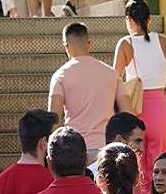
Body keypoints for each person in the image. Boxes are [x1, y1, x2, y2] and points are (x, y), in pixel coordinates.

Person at [113, 0, 166, 194]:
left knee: (136, 167)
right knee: (163, 168)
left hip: (134, 110)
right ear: (149, 19)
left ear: (128, 20)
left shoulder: (125, 44)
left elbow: (114, 81)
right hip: (161, 111)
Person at [48, 23, 130, 152]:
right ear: (89, 44)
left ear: (66, 47)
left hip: (75, 149)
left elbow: (54, 119)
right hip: (107, 148)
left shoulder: (60, 76)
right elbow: (128, 114)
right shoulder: (111, 73)